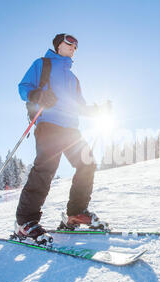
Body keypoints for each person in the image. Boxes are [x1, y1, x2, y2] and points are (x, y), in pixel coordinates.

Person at [14, 33, 109, 243]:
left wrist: (98, 110)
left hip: (71, 129)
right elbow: (23, 88)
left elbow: (80, 106)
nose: (74, 46)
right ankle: (25, 222)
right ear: (58, 44)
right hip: (48, 123)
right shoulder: (43, 64)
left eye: (77, 44)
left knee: (87, 163)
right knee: (46, 168)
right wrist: (38, 95)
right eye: (70, 42)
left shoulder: (73, 79)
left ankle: (75, 213)